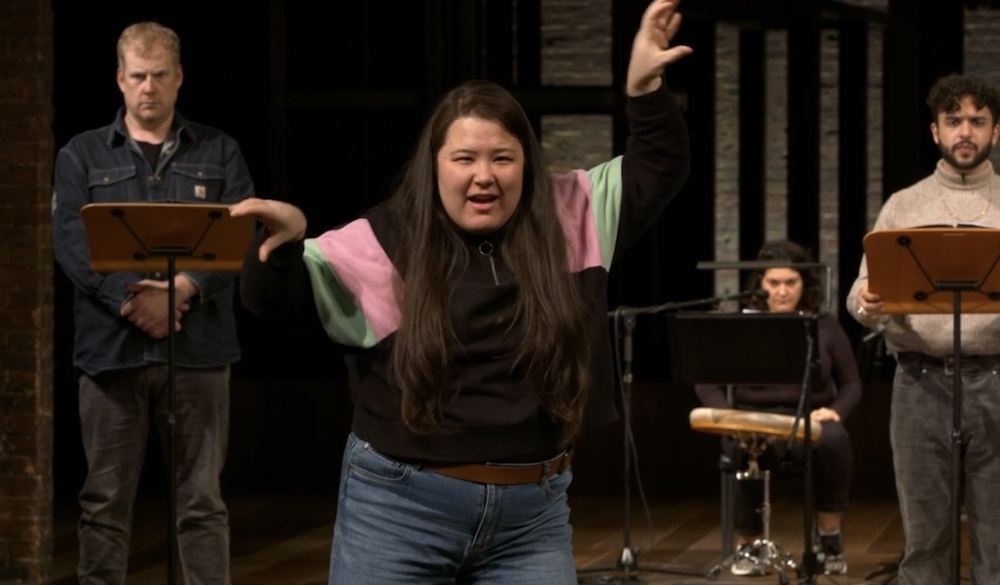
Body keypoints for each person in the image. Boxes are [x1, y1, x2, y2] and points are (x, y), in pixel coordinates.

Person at [230, 1, 691, 583]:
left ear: (526, 164)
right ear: (435, 166)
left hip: (532, 518)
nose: (484, 175)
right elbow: (271, 302)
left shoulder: (572, 213)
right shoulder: (385, 240)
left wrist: (645, 89)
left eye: (503, 158)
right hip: (399, 509)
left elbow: (658, 165)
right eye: (464, 158)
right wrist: (284, 246)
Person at [51, 21, 254, 585]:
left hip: (199, 351)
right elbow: (70, 242)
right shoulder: (82, 154)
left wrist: (183, 289)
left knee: (202, 501)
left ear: (179, 77)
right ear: (119, 78)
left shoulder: (219, 150)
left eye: (159, 75)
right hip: (111, 350)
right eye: (138, 76)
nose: (149, 87)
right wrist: (133, 302)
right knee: (104, 500)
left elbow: (243, 234)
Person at [849, 73, 1000, 584]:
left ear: (995, 132)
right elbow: (861, 289)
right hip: (919, 383)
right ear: (936, 131)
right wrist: (866, 303)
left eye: (977, 121)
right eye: (953, 121)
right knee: (925, 540)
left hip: (995, 379)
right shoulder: (903, 204)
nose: (965, 132)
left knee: (997, 539)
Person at [696, 239, 862, 577]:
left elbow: (851, 384)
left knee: (834, 440)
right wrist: (725, 415)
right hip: (752, 417)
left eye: (791, 282)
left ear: (804, 283)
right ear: (760, 283)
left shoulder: (824, 324)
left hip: (808, 418)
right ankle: (750, 544)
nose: (783, 291)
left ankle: (829, 537)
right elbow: (705, 381)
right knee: (746, 443)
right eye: (774, 283)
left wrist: (836, 411)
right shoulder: (742, 325)